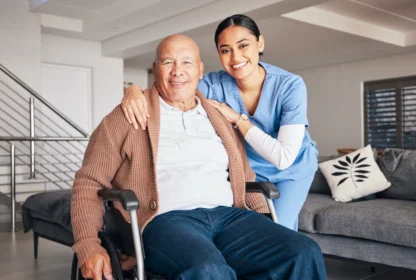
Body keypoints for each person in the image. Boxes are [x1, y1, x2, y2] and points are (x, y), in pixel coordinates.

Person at [71, 34, 326, 280]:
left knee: (303, 252)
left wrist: (262, 220)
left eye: (187, 62)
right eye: (167, 61)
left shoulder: (219, 117)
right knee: (208, 270)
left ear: (200, 70)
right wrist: (88, 246)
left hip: (230, 217)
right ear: (155, 68)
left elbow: (245, 177)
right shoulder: (127, 116)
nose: (177, 71)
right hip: (166, 220)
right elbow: (89, 183)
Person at [120, 14, 319, 231]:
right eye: (226, 50)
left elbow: (283, 158)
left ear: (259, 43)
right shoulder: (215, 85)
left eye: (243, 45)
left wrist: (238, 119)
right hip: (251, 168)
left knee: (280, 229)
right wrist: (134, 90)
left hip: (292, 167)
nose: (235, 57)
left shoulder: (290, 85)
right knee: (249, 231)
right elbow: (174, 88)